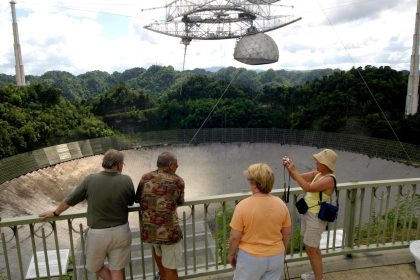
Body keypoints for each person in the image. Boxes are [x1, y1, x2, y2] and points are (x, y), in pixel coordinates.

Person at [39, 149, 135, 280]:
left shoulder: (90, 180)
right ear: (119, 165)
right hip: (121, 231)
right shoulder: (127, 180)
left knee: (95, 267)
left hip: (97, 234)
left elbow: (70, 200)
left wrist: (55, 212)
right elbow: (130, 202)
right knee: (117, 269)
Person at [229, 163, 292, 280]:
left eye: (250, 181)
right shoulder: (281, 204)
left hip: (251, 258)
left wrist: (232, 254)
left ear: (254, 184)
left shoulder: (243, 206)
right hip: (276, 257)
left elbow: (234, 236)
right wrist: (282, 251)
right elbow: (287, 233)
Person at [283, 148, 338, 280]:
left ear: (326, 164)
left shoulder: (329, 179)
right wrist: (291, 168)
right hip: (308, 214)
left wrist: (294, 172)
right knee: (314, 248)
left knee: (311, 249)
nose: (316, 163)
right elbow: (298, 178)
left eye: (318, 161)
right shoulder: (318, 174)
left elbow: (309, 188)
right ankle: (317, 275)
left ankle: (318, 278)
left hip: (316, 218)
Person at [135, 151, 185, 280]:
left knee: (162, 270)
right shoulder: (178, 181)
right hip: (169, 233)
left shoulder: (145, 178)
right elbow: (179, 201)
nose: (177, 167)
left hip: (150, 231)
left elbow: (138, 198)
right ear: (170, 165)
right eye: (176, 165)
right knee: (171, 271)